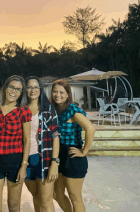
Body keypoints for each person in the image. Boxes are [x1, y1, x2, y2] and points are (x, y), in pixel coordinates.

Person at [0, 75, 32, 212]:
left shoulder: (24, 111)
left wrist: (24, 166)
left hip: (15, 162)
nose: (14, 91)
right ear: (5, 88)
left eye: (18, 89)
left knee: (14, 206)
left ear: (22, 93)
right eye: (11, 87)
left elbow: (27, 141)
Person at [51, 79, 95, 212]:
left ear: (68, 94)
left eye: (61, 92)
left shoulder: (72, 110)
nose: (58, 95)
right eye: (55, 91)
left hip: (72, 155)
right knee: (57, 194)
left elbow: (90, 129)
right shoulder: (54, 110)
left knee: (75, 196)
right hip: (58, 155)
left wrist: (84, 151)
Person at [24, 76, 60, 212]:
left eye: (35, 87)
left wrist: (54, 162)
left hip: (43, 159)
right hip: (25, 160)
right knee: (36, 196)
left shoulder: (48, 110)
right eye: (29, 87)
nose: (32, 90)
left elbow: (56, 136)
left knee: (46, 201)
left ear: (40, 89)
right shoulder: (21, 109)